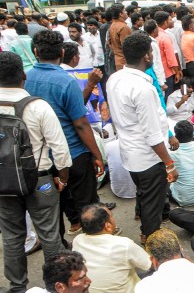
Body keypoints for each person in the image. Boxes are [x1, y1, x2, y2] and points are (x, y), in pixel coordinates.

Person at [0, 51, 71, 292]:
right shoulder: (37, 106)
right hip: (39, 180)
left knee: (11, 236)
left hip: (3, 182)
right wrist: (62, 178)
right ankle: (56, 285)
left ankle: (17, 286)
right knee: (50, 235)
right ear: (23, 75)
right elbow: (59, 147)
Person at [26, 30, 106, 239]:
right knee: (87, 202)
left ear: (35, 52)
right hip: (74, 152)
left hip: (43, 156)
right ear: (62, 52)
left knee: (55, 205)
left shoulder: (26, 79)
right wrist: (96, 154)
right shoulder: (65, 81)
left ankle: (62, 245)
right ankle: (95, 242)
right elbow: (80, 122)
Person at [106, 32, 179, 244]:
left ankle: (145, 222)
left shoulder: (115, 78)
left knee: (145, 194)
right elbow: (152, 134)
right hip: (148, 158)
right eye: (151, 52)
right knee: (152, 205)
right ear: (146, 56)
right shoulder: (143, 88)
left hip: (129, 153)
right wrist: (169, 163)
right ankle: (150, 239)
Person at [72, 204, 151, 293]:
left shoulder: (77, 240)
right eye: (111, 216)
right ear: (107, 226)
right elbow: (151, 264)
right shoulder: (124, 245)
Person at [106, 4, 132, 71]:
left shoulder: (112, 25)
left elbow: (109, 43)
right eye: (125, 10)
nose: (126, 12)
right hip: (125, 62)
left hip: (117, 60)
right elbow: (127, 46)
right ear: (120, 14)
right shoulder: (123, 27)